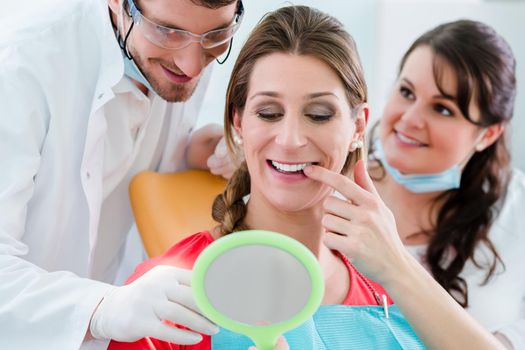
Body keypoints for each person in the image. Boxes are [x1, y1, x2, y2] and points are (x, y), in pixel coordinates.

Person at [109, 6, 505, 350]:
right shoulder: (171, 293)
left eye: (319, 114)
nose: (291, 139)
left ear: (357, 127)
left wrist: (397, 266)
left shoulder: (390, 288)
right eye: (268, 113)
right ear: (239, 122)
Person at [0, 0, 244, 348]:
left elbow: (130, 149)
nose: (191, 65)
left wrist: (201, 151)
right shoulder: (17, 67)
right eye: (167, 31)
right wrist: (101, 308)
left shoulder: (182, 49)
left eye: (217, 35)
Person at [368, 20, 524, 349]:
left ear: (489, 134)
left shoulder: (517, 213)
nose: (409, 119)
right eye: (406, 92)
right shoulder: (333, 185)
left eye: (442, 108)